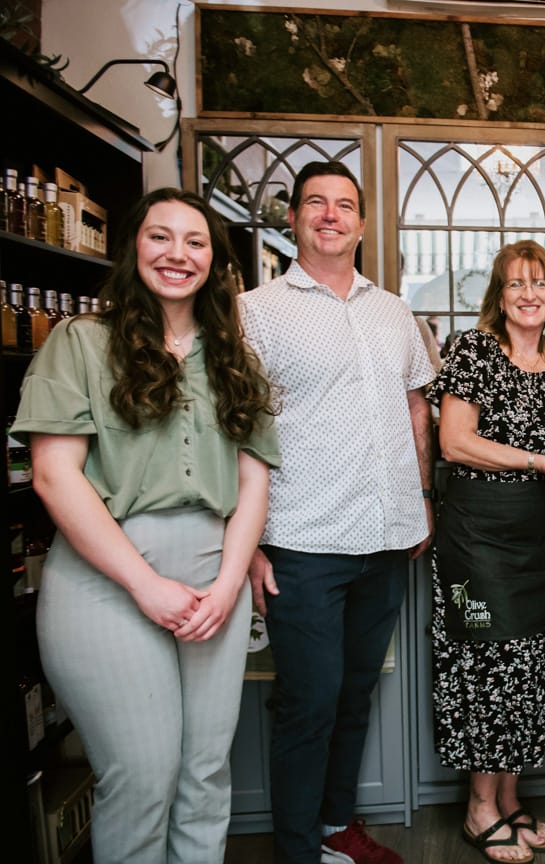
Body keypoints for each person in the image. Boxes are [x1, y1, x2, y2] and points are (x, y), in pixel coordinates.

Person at [12, 188, 280, 863]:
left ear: (214, 261)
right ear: (133, 247)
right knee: (141, 777)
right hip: (107, 580)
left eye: (195, 242)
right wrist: (144, 583)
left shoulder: (235, 358)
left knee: (205, 775)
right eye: (160, 236)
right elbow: (53, 476)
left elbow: (253, 483)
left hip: (214, 580)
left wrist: (228, 585)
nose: (177, 254)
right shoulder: (81, 342)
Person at [239, 161, 435, 864]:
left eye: (345, 204)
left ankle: (334, 827)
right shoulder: (256, 311)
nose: (331, 214)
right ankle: (297, 851)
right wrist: (248, 542)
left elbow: (416, 408)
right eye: (316, 203)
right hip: (302, 542)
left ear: (361, 222)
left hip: (386, 537)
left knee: (354, 697)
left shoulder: (393, 311)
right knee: (309, 704)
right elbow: (239, 427)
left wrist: (422, 498)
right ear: (293, 217)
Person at [429, 239, 545, 863]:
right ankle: (479, 807)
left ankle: (511, 796)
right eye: (516, 283)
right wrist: (539, 461)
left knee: (531, 660)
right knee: (486, 663)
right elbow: (454, 441)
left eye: (539, 283)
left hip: (541, 537)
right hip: (478, 537)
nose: (529, 294)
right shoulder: (474, 350)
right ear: (499, 295)